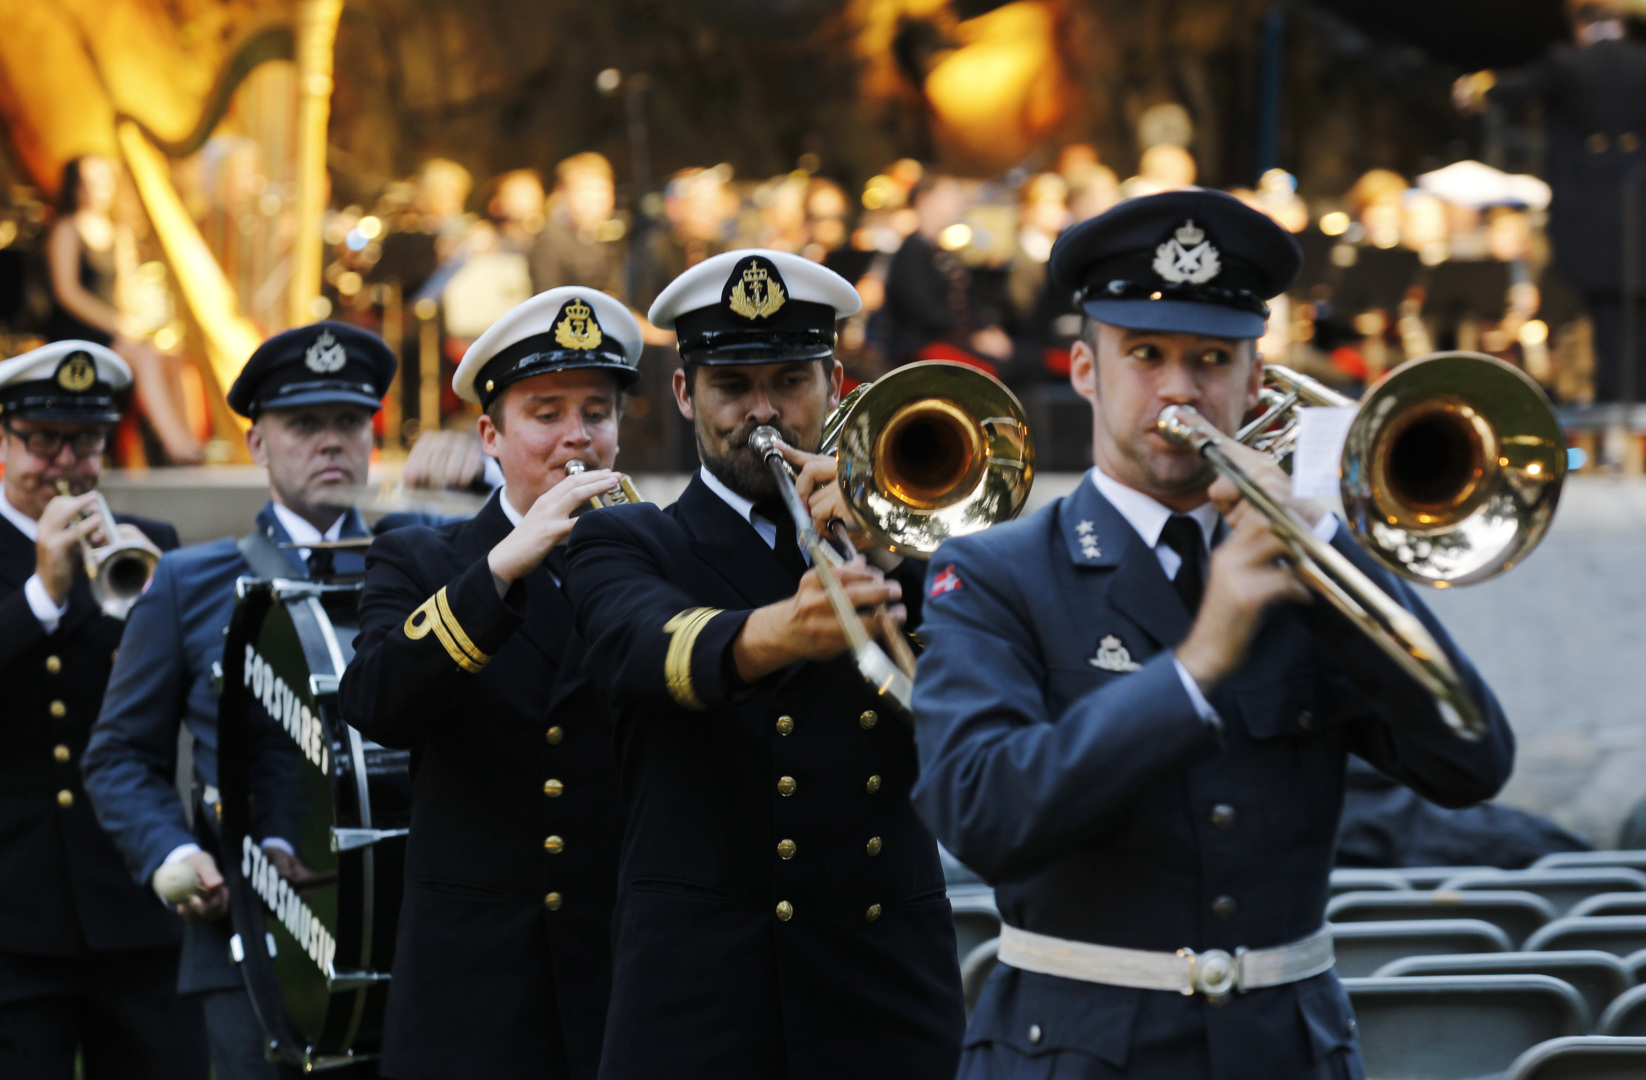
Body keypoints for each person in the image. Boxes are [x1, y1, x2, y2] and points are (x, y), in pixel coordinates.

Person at [908, 190, 1515, 1079]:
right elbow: (981, 812)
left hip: (1284, 1048)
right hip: (1075, 1052)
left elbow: (1471, 763)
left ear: (1255, 382)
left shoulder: (1308, 571)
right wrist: (1197, 664)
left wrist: (1338, 551)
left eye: (1212, 360)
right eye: (1145, 355)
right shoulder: (996, 571)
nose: (1181, 389)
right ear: (1086, 371)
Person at [565, 249, 966, 1080]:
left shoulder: (901, 547)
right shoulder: (631, 538)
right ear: (685, 394)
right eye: (732, 387)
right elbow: (641, 646)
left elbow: (988, 685)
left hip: (883, 982)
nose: (764, 415)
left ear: (835, 387)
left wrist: (891, 555)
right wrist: (780, 630)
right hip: (704, 997)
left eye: (789, 383)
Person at [82, 323, 397, 1080]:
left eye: (348, 423)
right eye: (304, 425)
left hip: (396, 938)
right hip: (250, 946)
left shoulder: (409, 562)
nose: (330, 443)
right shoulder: (191, 581)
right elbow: (118, 755)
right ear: (257, 445)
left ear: (371, 440)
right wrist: (173, 851)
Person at [339, 287, 639, 1079]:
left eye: (597, 413)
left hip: (620, 970)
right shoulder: (423, 559)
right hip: (474, 987)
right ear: (490, 437)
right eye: (545, 413)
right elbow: (375, 703)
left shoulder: (657, 556)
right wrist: (504, 565)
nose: (577, 437)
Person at [0, 340, 207, 1079]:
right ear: (3, 438)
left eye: (85, 441)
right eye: (43, 441)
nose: (66, 463)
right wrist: (42, 596)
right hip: (13, 916)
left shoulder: (151, 548)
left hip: (137, 901)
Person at [1459, 0, 1646, 404]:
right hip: (1639, 209)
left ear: (1580, 22)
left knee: (1606, 323)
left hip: (1590, 216)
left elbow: (1508, 91)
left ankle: (1615, 418)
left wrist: (1473, 88)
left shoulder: (1564, 63)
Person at [46, 155, 203, 464]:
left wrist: (143, 322)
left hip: (116, 328)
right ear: (75, 186)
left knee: (170, 354)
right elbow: (68, 293)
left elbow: (125, 291)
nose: (97, 189)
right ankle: (176, 446)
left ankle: (188, 439)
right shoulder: (66, 229)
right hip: (79, 328)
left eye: (103, 181)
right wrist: (116, 322)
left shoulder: (119, 233)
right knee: (143, 355)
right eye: (89, 182)